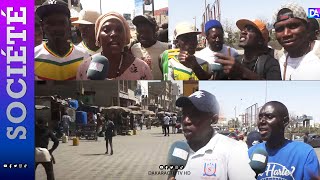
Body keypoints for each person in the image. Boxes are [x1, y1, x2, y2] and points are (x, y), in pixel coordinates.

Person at [174, 90, 256, 179]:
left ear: (214, 119)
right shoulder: (179, 148)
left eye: (194, 115)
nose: (186, 121)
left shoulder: (234, 149)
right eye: (184, 114)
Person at [248, 101, 320, 179]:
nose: (262, 121)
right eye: (260, 117)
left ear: (285, 121)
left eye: (269, 117)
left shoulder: (305, 153)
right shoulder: (251, 152)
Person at [76, 12, 152, 80]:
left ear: (125, 37)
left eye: (119, 30)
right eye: (106, 30)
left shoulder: (142, 68)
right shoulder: (84, 67)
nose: (114, 34)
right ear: (98, 37)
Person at [35, 0, 90, 80]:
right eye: (50, 23)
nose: (57, 28)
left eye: (62, 22)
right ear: (43, 26)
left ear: (69, 25)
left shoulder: (83, 56)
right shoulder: (32, 58)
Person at [215, 19, 281, 80]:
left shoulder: (270, 63)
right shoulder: (235, 61)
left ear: (260, 40)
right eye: (243, 29)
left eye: (250, 30)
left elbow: (274, 89)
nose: (243, 32)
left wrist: (243, 71)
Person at [273, 3, 320, 80]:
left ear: (307, 28)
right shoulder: (278, 58)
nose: (286, 34)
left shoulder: (317, 54)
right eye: (280, 29)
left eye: (293, 26)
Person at [131, 15, 168, 80]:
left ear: (154, 31)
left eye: (147, 32)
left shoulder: (165, 48)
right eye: (140, 32)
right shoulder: (134, 48)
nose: (142, 35)